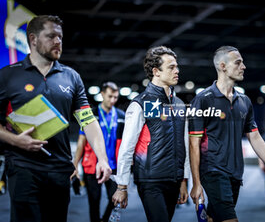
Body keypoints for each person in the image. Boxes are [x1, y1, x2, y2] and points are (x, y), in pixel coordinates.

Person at [0, 15, 111, 222]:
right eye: (51, 36)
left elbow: (87, 120)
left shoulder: (71, 77)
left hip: (60, 169)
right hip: (23, 167)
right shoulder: (7, 76)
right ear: (33, 39)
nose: (58, 41)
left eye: (60, 37)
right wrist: (16, 140)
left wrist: (102, 158)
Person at [189, 46, 265, 222]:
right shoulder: (203, 100)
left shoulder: (244, 102)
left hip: (235, 172)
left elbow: (254, 136)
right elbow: (194, 143)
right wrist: (195, 183)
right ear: (223, 66)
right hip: (213, 170)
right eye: (238, 62)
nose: (244, 67)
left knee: (213, 217)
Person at [112, 46, 189, 222]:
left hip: (175, 181)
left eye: (177, 66)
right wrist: (122, 186)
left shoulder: (179, 105)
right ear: (156, 71)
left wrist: (184, 180)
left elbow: (183, 144)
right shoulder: (141, 103)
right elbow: (127, 146)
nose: (177, 71)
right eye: (171, 67)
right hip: (150, 180)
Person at [72, 81, 125, 222]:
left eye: (115, 97)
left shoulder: (121, 116)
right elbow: (81, 141)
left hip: (113, 166)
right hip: (91, 166)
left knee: (115, 198)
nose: (113, 100)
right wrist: (75, 164)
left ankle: (105, 220)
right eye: (110, 96)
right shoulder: (91, 115)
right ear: (102, 94)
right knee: (94, 202)